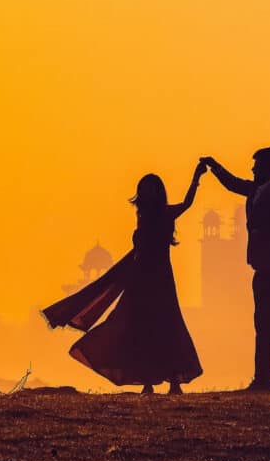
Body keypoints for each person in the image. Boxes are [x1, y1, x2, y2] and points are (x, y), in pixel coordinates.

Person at [44, 165, 206, 394]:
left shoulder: (165, 214)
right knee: (140, 329)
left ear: (158, 193)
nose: (148, 193)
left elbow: (187, 203)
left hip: (160, 280)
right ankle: (148, 382)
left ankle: (174, 381)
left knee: (168, 326)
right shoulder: (144, 218)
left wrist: (196, 178)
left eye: (152, 189)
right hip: (140, 281)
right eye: (145, 189)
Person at [202, 148, 270, 392]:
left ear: (268, 168)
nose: (253, 169)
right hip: (269, 264)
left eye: (257, 165)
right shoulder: (261, 191)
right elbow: (234, 185)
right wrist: (215, 166)